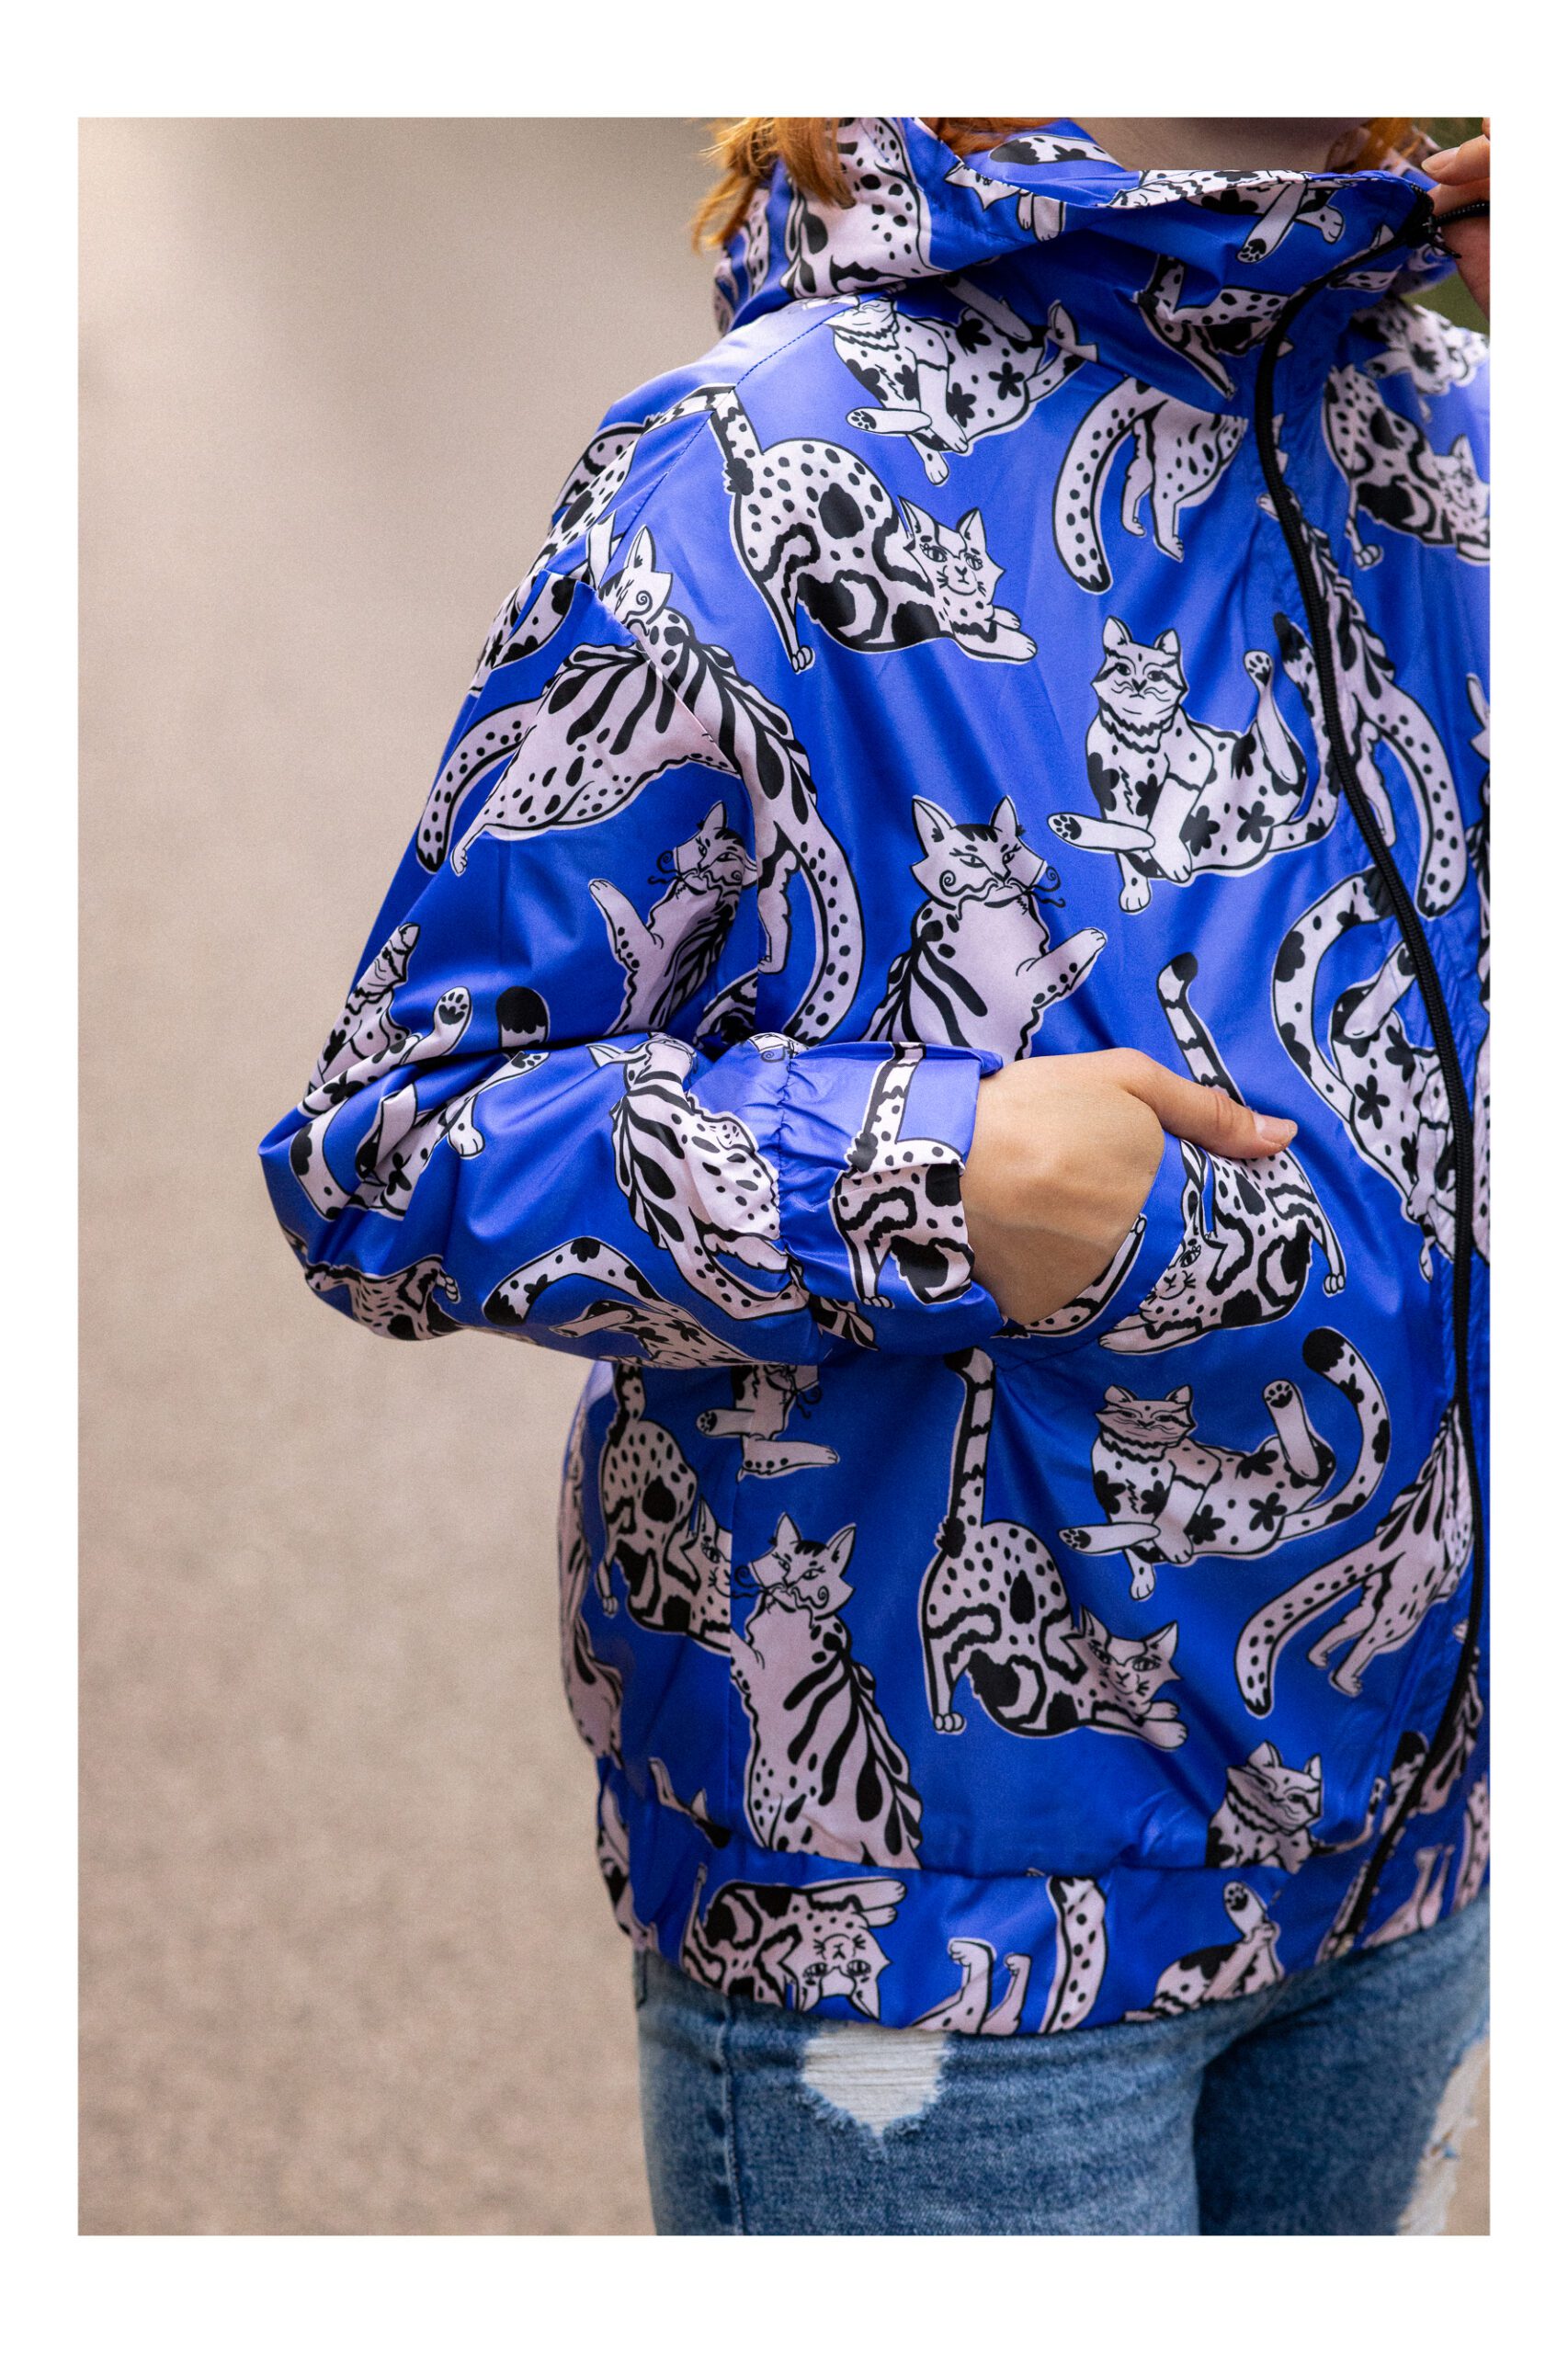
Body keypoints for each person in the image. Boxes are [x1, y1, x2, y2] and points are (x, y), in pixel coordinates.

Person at [259, 117, 1490, 2234]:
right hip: (944, 1936)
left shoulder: (1470, 435)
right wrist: (923, 1171)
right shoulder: (748, 462)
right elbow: (387, 1146)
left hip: (1417, 1858)